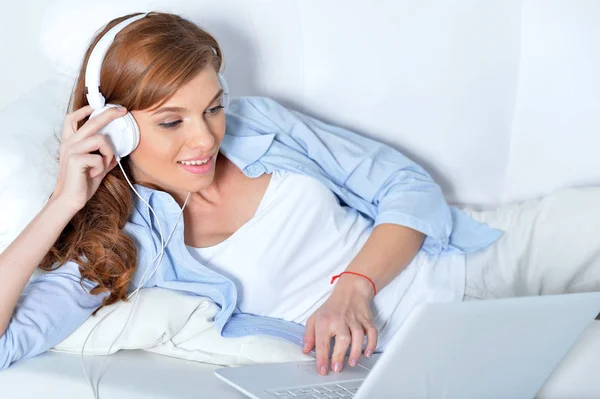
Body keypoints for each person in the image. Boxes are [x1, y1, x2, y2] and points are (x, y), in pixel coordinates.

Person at [0, 11, 598, 377]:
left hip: (472, 256)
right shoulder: (119, 246)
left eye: (213, 107)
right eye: (170, 121)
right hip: (420, 350)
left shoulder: (259, 123)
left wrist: (354, 286)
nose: (205, 137)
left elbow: (405, 186)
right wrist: (62, 204)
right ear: (116, 127)